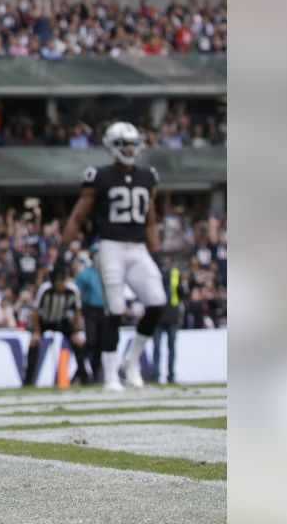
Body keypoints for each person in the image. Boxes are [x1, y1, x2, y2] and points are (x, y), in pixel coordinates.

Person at [55, 121, 168, 392]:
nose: (130, 150)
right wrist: (62, 249)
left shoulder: (147, 176)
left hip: (138, 247)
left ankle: (131, 362)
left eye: (133, 144)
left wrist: (157, 253)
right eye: (124, 144)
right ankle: (109, 376)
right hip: (110, 246)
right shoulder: (100, 176)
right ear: (112, 147)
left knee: (157, 302)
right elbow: (78, 216)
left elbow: (151, 221)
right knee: (114, 309)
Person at [24, 274, 87, 386]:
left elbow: (78, 311)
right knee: (34, 343)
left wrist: (76, 331)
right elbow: (35, 311)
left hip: (62, 320)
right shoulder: (45, 289)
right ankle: (28, 380)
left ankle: (84, 377)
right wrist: (37, 332)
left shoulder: (72, 290)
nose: (62, 285)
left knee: (78, 343)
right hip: (44, 320)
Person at [74, 244, 109, 384]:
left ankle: (96, 375)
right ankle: (81, 371)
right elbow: (76, 293)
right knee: (91, 341)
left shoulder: (107, 272)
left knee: (100, 344)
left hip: (104, 311)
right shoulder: (85, 274)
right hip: (90, 311)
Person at [153, 257, 186, 383]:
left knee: (171, 347)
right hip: (158, 315)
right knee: (157, 347)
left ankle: (171, 375)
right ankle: (156, 375)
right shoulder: (155, 274)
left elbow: (182, 293)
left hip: (172, 314)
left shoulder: (176, 274)